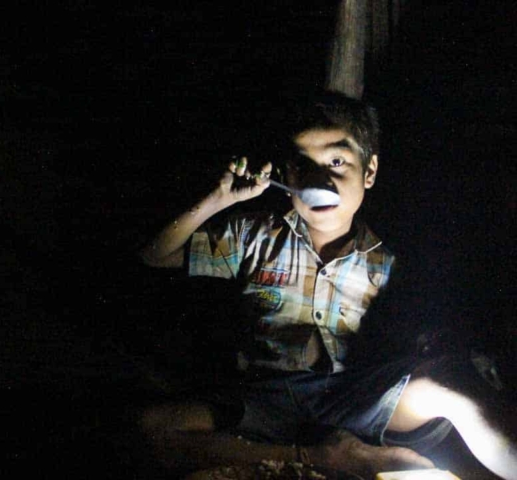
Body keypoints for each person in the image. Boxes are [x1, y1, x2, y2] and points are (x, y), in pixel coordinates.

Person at [136, 91, 517, 479]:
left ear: (369, 172)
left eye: (337, 161)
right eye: (305, 166)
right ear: (287, 177)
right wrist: (219, 199)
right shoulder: (252, 237)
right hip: (266, 399)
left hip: (355, 397)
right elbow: (156, 255)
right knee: (159, 427)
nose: (321, 180)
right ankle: (329, 457)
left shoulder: (391, 258)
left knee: (454, 387)